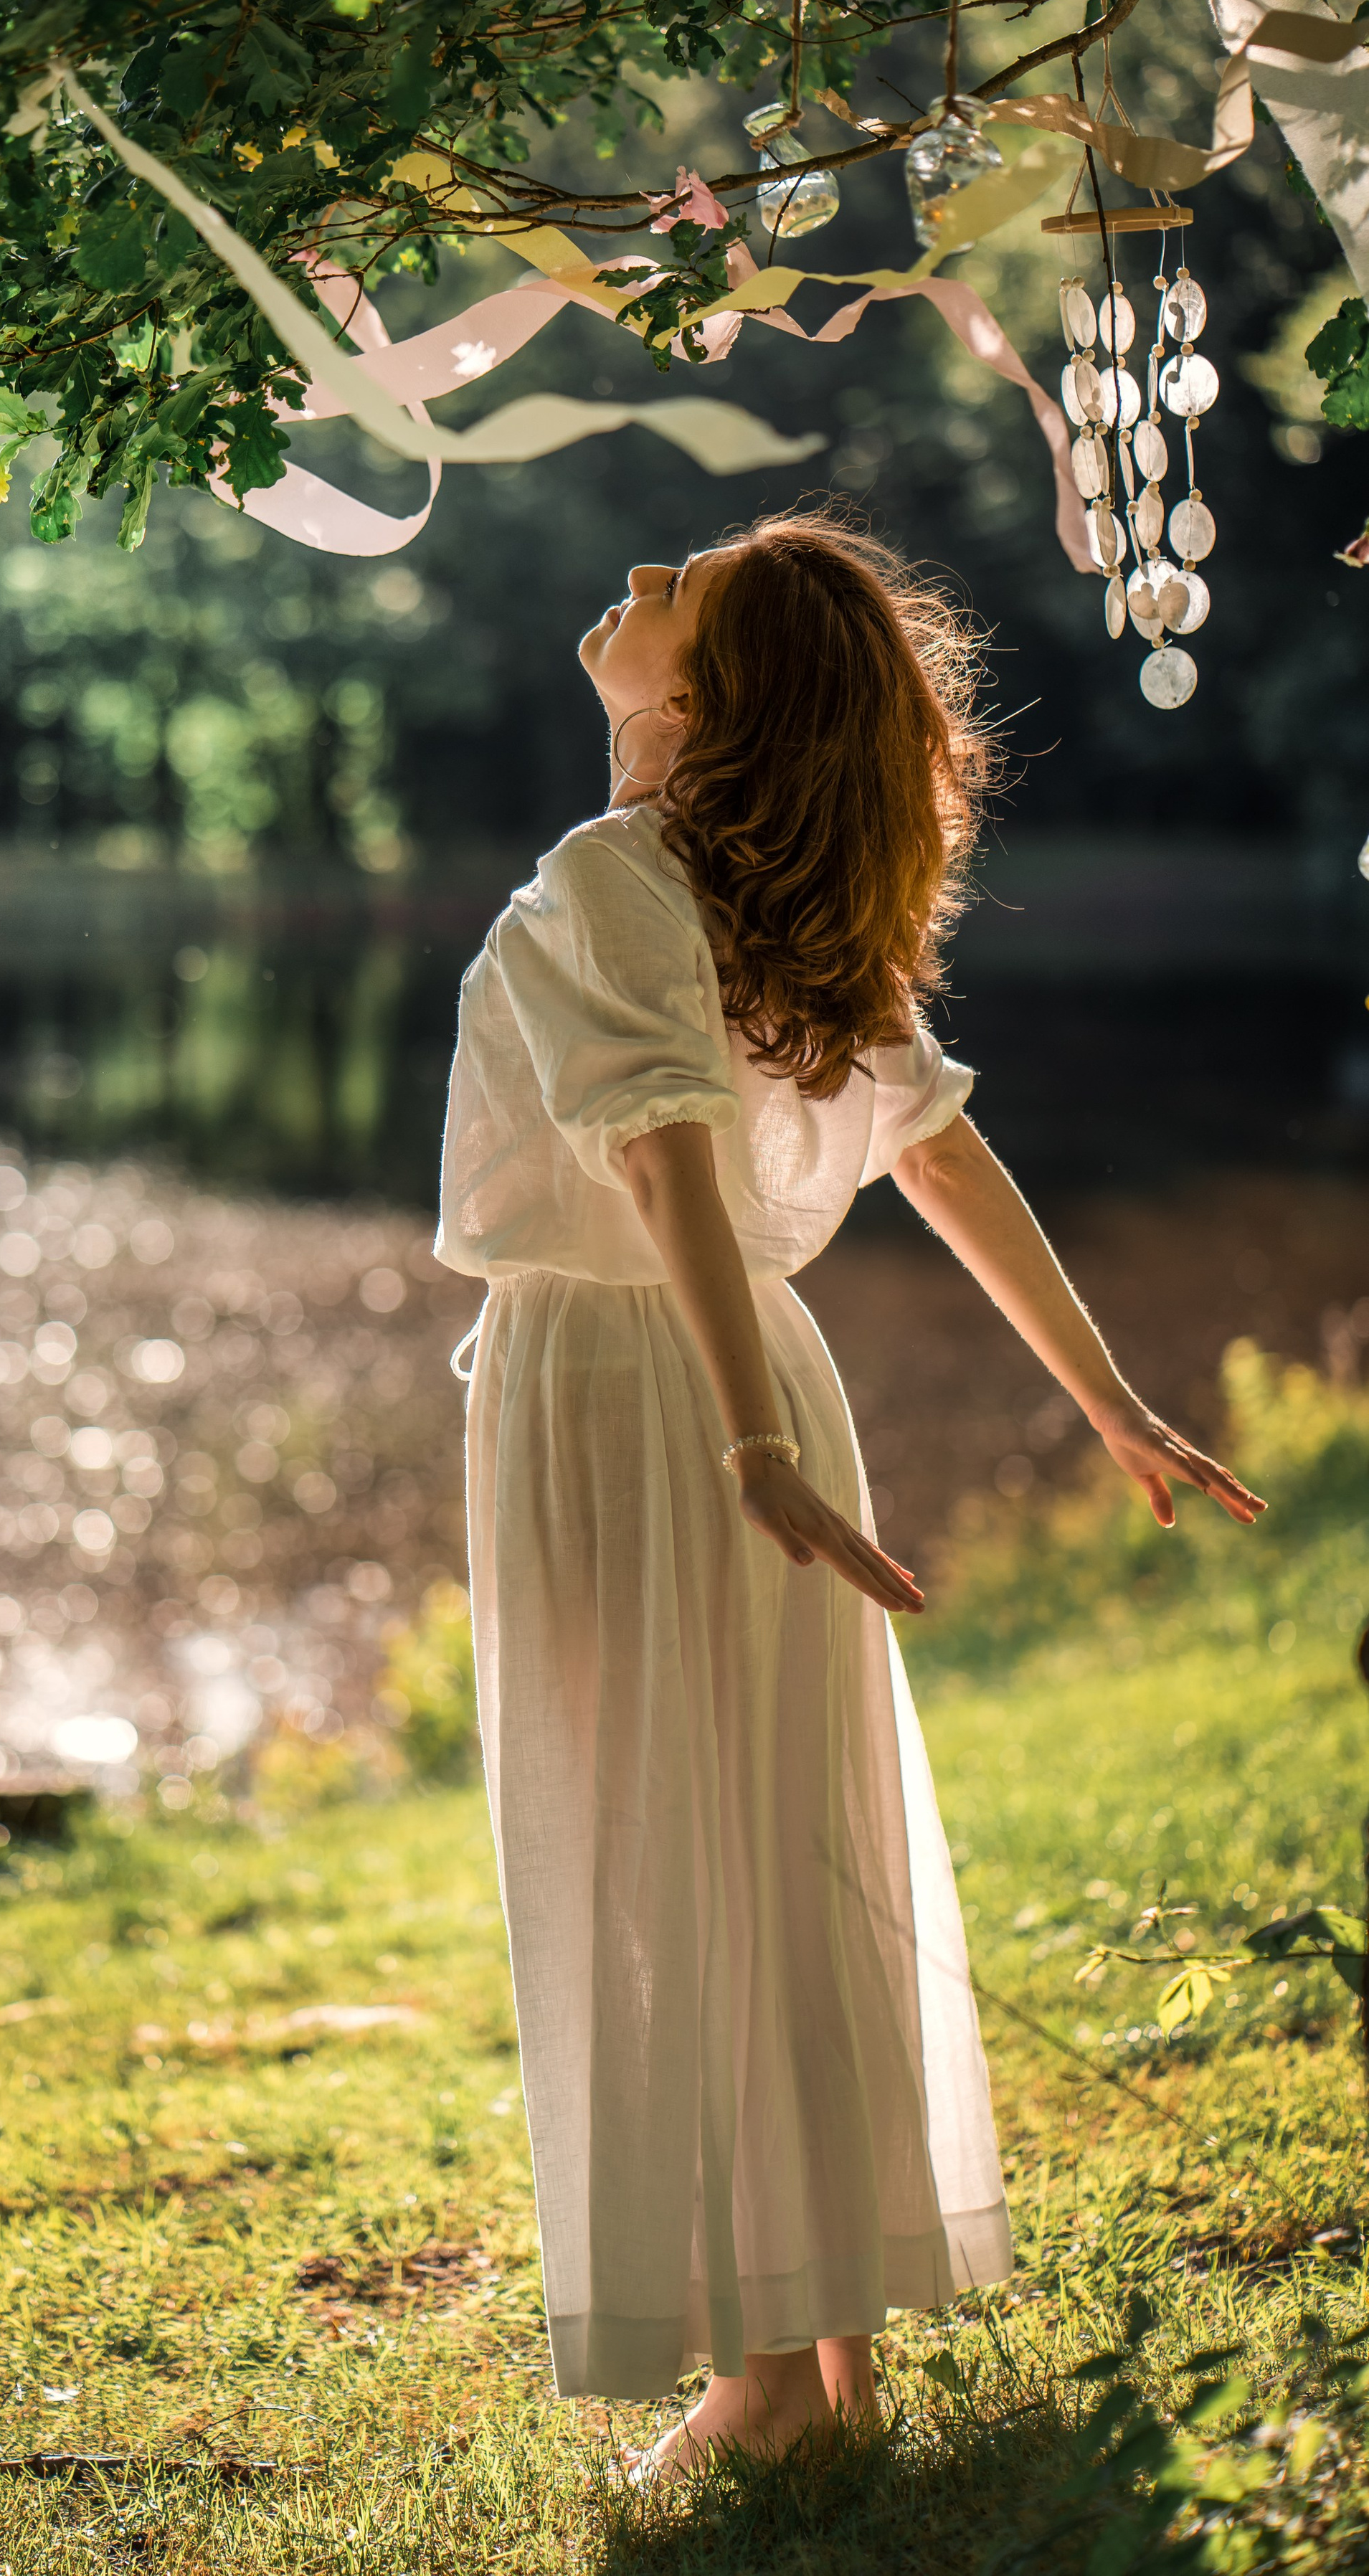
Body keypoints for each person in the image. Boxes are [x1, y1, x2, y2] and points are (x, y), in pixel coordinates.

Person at [433, 511, 1264, 2480]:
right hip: (729, 1382)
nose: (636, 570)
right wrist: (1113, 1405)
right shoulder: (756, 898)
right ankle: (828, 2346)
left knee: (669, 1863)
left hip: (652, 1392)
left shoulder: (614, 875)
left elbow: (662, 1163)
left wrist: (750, 1449)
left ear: (701, 702)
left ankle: (764, 2374)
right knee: (780, 1854)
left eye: (681, 590)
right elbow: (941, 1164)